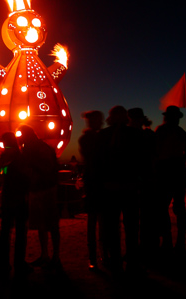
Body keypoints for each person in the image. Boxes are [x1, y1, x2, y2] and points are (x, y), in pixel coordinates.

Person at [96, 106, 142, 274]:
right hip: (130, 186)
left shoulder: (102, 136)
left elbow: (98, 163)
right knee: (131, 228)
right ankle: (132, 262)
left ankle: (115, 262)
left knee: (112, 227)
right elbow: (141, 161)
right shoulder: (136, 135)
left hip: (110, 187)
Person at [17, 125, 61, 270]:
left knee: (45, 223)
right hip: (46, 187)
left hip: (41, 188)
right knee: (48, 223)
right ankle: (50, 255)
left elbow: (42, 167)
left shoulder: (32, 149)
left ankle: (48, 255)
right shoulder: (43, 147)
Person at [154, 106, 186, 256]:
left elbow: (155, 151)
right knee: (178, 208)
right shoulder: (182, 133)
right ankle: (178, 242)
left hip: (166, 172)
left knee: (163, 208)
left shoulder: (162, 131)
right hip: (178, 171)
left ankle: (169, 241)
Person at [0, 132, 30, 279]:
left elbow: (3, 174)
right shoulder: (20, 157)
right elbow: (25, 176)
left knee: (5, 231)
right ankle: (19, 263)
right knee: (20, 232)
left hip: (7, 197)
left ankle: (3, 265)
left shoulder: (4, 157)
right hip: (19, 198)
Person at [127, 108, 157, 259]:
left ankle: (139, 249)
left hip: (138, 179)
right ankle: (145, 248)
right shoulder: (148, 134)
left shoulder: (129, 135)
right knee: (143, 216)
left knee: (135, 218)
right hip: (145, 179)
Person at [78, 110, 106, 270]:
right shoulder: (94, 139)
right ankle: (100, 255)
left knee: (93, 221)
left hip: (93, 183)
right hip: (98, 183)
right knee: (99, 221)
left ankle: (94, 256)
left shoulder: (85, 139)